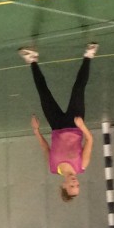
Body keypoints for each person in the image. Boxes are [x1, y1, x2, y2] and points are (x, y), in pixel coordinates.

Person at [19, 43, 97, 202]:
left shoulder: (53, 167)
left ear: (63, 186)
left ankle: (32, 59)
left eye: (72, 186)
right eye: (77, 186)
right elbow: (90, 140)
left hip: (56, 125)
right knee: (78, 89)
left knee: (43, 93)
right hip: (75, 125)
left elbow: (45, 147)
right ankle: (89, 55)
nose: (75, 183)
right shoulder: (82, 165)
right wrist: (82, 126)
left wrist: (36, 130)